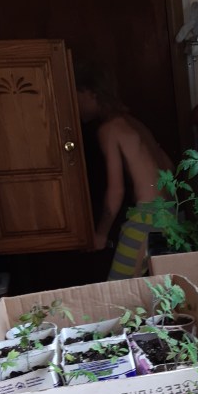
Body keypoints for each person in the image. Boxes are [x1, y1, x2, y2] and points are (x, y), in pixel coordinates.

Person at [74, 62, 174, 280]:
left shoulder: (109, 129)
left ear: (91, 92)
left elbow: (116, 190)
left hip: (145, 220)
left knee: (119, 291)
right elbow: (168, 166)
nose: (75, 104)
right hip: (169, 215)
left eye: (76, 96)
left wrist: (100, 234)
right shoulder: (135, 123)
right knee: (154, 291)